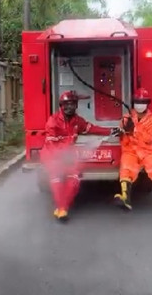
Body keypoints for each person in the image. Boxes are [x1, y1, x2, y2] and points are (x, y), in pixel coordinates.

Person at [40, 90, 118, 222]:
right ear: (61, 106)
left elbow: (92, 128)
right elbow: (51, 145)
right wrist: (61, 158)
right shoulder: (52, 121)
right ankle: (62, 208)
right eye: (66, 104)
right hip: (53, 156)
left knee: (75, 179)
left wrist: (111, 130)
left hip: (69, 156)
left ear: (76, 106)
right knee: (56, 178)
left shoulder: (77, 121)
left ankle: (62, 209)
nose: (69, 107)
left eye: (72, 104)